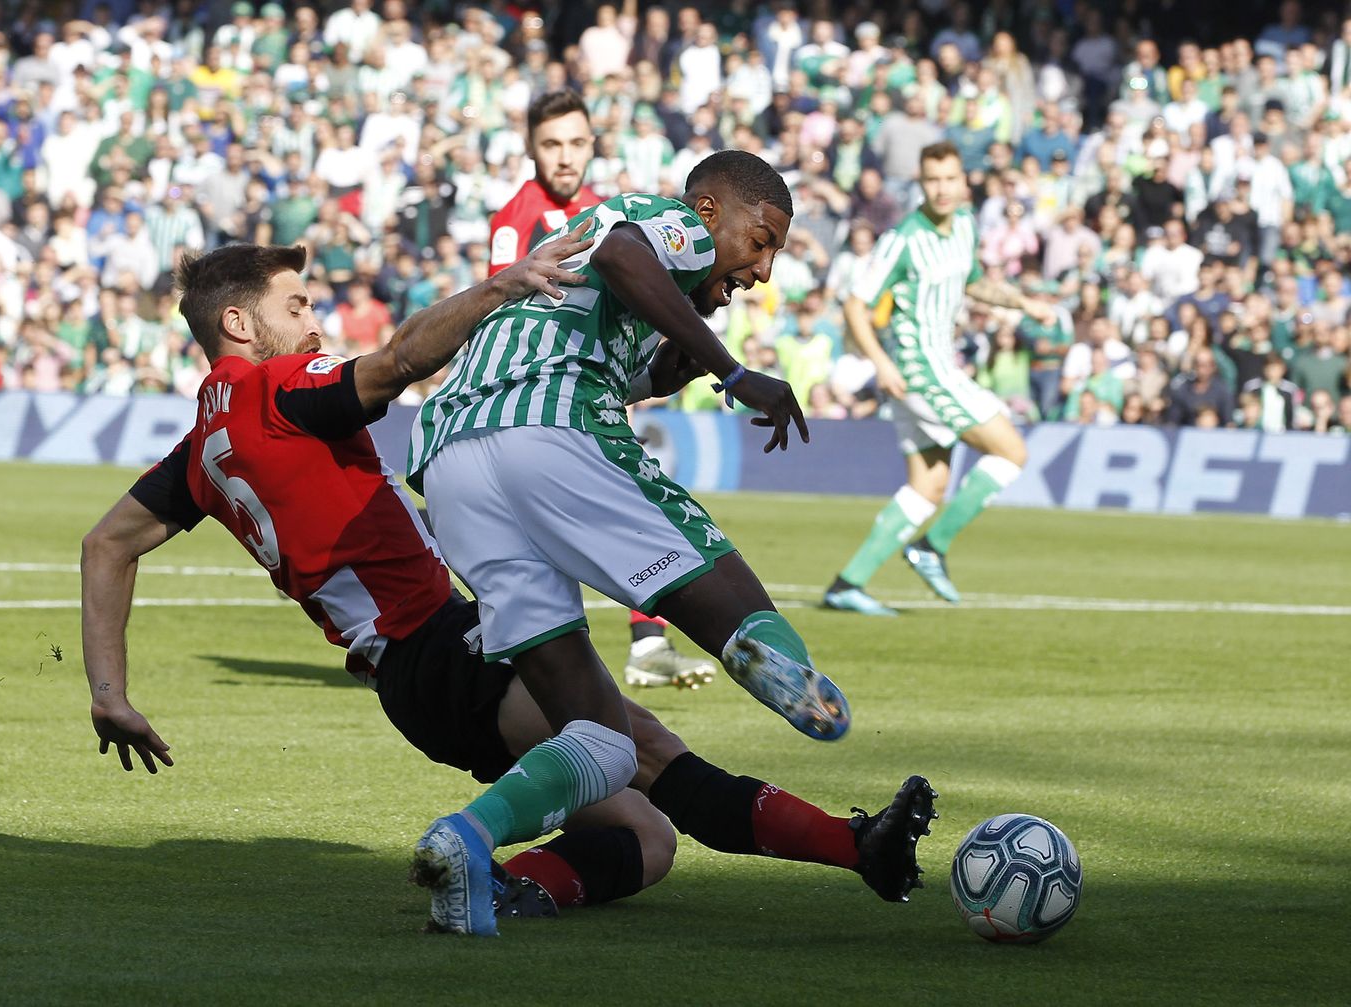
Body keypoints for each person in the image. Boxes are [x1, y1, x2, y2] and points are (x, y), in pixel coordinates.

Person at [80, 238, 938, 938]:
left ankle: (489, 882)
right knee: (636, 746)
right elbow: (396, 363)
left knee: (645, 838)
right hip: (440, 645)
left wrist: (110, 693)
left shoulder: (201, 449)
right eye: (296, 306)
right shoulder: (272, 389)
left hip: (409, 674)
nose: (314, 322)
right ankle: (858, 846)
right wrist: (501, 287)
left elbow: (106, 546)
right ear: (238, 321)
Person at [407, 150, 862, 928]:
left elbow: (583, 328)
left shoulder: (584, 269)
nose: (762, 269)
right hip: (548, 428)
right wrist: (731, 371)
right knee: (708, 569)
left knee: (602, 741)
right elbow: (625, 254)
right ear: (714, 212)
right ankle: (767, 648)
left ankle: (468, 837)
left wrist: (664, 375)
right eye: (762, 241)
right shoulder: (671, 218)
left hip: (451, 466)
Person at [489, 89, 714, 691]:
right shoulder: (515, 221)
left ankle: (644, 644)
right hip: (545, 398)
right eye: (551, 144)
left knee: (632, 509)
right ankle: (585, 653)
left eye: (576, 143)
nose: (565, 157)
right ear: (531, 148)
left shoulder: (608, 210)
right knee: (596, 517)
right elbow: (497, 307)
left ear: (593, 144)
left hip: (603, 386)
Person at [823, 142, 1057, 616]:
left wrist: (1022, 303)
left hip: (931, 370)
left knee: (929, 485)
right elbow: (854, 304)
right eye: (932, 180)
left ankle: (848, 583)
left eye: (950, 179)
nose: (942, 189)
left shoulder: (966, 226)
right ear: (921, 184)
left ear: (963, 182)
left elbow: (971, 281)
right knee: (1011, 451)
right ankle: (933, 546)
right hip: (921, 370)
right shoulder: (904, 239)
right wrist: (881, 363)